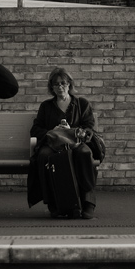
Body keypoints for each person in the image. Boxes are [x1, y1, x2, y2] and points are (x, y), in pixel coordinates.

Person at [28, 67, 98, 219]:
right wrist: (52, 130)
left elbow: (89, 127)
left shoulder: (81, 104)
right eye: (56, 84)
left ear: (69, 84)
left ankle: (88, 203)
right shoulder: (46, 106)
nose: (60, 87)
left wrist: (71, 130)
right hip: (53, 144)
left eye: (63, 83)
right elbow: (35, 129)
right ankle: (54, 203)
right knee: (44, 155)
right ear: (51, 87)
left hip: (75, 143)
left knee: (85, 153)